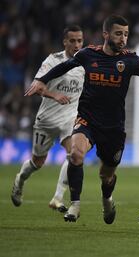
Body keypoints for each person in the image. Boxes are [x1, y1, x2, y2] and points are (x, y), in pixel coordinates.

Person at [24, 14, 139, 224]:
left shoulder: (130, 60)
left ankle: (107, 198)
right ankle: (75, 204)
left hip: (114, 127)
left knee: (106, 175)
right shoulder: (88, 54)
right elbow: (64, 66)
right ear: (106, 34)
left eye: (126, 34)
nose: (123, 38)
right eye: (119, 34)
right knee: (75, 155)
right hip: (87, 119)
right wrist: (41, 80)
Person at [11, 25, 84, 213]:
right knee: (37, 162)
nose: (77, 44)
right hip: (48, 119)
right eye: (73, 41)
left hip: (71, 117)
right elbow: (36, 87)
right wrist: (54, 95)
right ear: (65, 42)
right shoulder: (53, 60)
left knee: (75, 154)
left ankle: (58, 197)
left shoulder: (85, 62)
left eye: (80, 40)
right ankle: (20, 179)